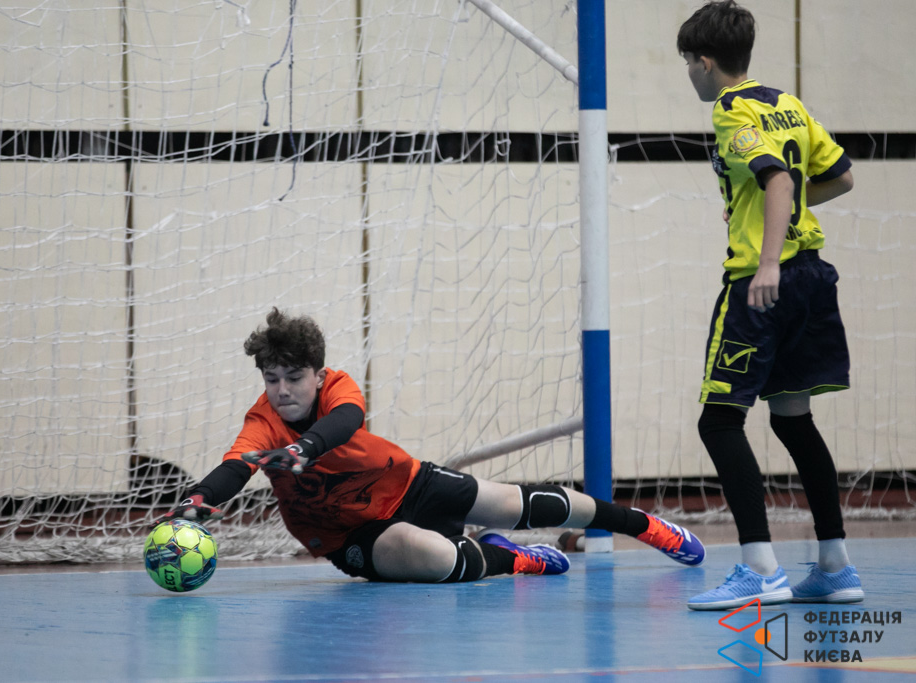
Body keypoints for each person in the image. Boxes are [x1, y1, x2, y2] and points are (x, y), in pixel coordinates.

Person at [162, 307, 706, 584]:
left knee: (514, 502)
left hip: (408, 482)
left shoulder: (337, 389)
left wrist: (305, 448)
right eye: (272, 378)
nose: (282, 390)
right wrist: (198, 500)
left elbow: (348, 420)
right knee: (436, 557)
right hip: (351, 534)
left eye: (294, 377)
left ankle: (644, 525)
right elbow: (235, 467)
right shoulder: (262, 420)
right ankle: (515, 560)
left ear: (318, 375)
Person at [677, 1, 862, 610]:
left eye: (688, 63)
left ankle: (760, 569)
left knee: (719, 421)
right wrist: (770, 217)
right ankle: (835, 566)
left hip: (765, 287)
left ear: (706, 62)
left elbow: (778, 179)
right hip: (812, 278)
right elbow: (840, 177)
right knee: (792, 419)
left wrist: (766, 260)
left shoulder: (732, 110)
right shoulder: (788, 102)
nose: (690, 74)